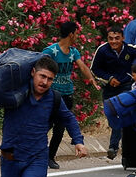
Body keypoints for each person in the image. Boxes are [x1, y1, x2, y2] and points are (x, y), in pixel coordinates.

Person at [43, 21, 101, 169]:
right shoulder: (51, 51)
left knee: (60, 128)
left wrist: (92, 80)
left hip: (67, 95)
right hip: (52, 95)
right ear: (71, 34)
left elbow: (82, 66)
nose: (77, 36)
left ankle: (51, 157)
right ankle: (38, 155)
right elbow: (39, 67)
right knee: (45, 125)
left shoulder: (74, 52)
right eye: (76, 33)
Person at [91, 24, 136, 160]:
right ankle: (118, 145)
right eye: (111, 39)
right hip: (109, 88)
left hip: (126, 86)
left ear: (123, 38)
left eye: (117, 38)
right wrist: (109, 79)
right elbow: (94, 69)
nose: (114, 42)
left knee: (120, 113)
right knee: (111, 117)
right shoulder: (102, 50)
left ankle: (114, 147)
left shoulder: (132, 50)